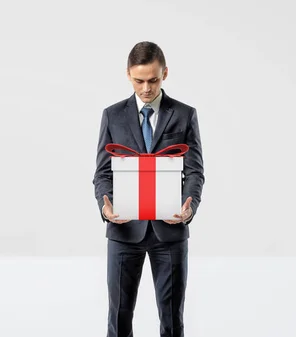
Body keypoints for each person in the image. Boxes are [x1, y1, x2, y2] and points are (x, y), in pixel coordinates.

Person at [92, 41, 205, 337]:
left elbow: (194, 171)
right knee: (119, 318)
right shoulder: (112, 115)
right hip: (124, 230)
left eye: (153, 80)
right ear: (128, 75)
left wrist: (189, 206)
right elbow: (103, 172)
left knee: (171, 320)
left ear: (165, 73)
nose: (146, 88)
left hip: (170, 231)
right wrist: (105, 206)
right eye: (139, 80)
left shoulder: (184, 114)